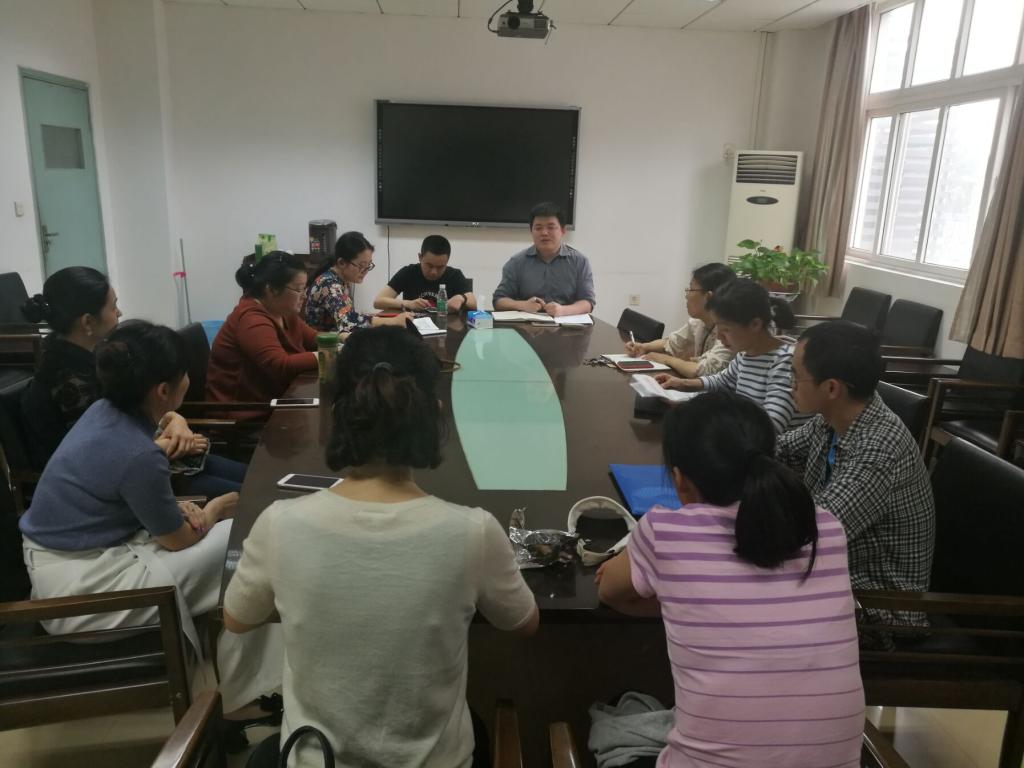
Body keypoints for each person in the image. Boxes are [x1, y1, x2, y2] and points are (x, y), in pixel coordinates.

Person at [223, 326, 539, 768]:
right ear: (433, 412)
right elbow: (524, 623)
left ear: (338, 412)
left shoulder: (280, 524)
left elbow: (236, 619)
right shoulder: (474, 532)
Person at [19, 320, 281, 724]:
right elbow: (177, 540)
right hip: (84, 591)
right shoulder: (139, 455)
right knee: (245, 540)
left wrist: (175, 422)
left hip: (73, 562)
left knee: (238, 545)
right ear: (162, 390)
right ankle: (242, 693)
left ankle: (240, 682)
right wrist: (214, 510)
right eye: (184, 375)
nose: (189, 380)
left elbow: (137, 484)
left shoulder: (104, 410)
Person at [597, 391, 864, 768]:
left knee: (611, 718)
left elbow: (610, 590)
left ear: (679, 481)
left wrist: (680, 604)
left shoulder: (664, 531)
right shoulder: (824, 527)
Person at [20, 267, 245, 498]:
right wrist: (168, 443)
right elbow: (101, 458)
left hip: (150, 456)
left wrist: (175, 422)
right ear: (87, 321)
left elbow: (137, 408)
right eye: (113, 307)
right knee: (249, 494)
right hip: (113, 486)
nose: (119, 312)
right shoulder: (69, 383)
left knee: (251, 480)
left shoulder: (92, 356)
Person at [778, 321, 935, 634]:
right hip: (837, 577)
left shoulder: (879, 450)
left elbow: (810, 535)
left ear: (831, 388)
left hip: (878, 611)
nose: (789, 384)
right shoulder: (834, 418)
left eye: (795, 375)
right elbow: (780, 450)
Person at [656, 278, 808, 434]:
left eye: (726, 330)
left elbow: (771, 426)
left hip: (771, 445)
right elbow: (723, 381)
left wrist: (706, 411)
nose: (719, 337)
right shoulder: (745, 353)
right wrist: (683, 383)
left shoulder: (785, 361)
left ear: (755, 324)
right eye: (718, 329)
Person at [206, 251, 318, 405]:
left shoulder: (282, 311)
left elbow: (313, 339)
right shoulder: (251, 319)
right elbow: (280, 366)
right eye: (299, 290)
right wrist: (328, 355)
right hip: (243, 412)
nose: (304, 296)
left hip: (276, 399)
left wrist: (343, 340)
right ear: (271, 290)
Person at [624, 263, 736, 377]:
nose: (686, 296)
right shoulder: (698, 322)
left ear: (708, 297)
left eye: (691, 290)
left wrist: (666, 359)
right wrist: (644, 347)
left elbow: (704, 371)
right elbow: (672, 342)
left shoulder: (730, 331)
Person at [493, 202, 595, 317]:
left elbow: (588, 302)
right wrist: (523, 305)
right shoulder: (517, 262)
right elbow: (499, 300)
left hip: (568, 325)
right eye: (538, 228)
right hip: (527, 326)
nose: (544, 233)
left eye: (551, 227)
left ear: (563, 230)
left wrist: (563, 310)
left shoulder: (579, 262)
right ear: (531, 231)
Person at [304, 230, 412, 333]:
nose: (365, 271)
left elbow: (348, 314)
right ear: (341, 263)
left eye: (368, 265)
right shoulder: (329, 285)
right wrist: (393, 321)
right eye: (361, 265)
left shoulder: (341, 279)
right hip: (323, 342)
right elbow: (347, 321)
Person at [374, 234, 477, 313]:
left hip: (446, 327)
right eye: (429, 265)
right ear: (420, 257)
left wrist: (461, 298)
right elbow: (378, 302)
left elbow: (473, 303)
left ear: (447, 261)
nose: (434, 272)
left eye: (440, 267)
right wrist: (409, 304)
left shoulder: (455, 275)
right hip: (413, 327)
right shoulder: (408, 272)